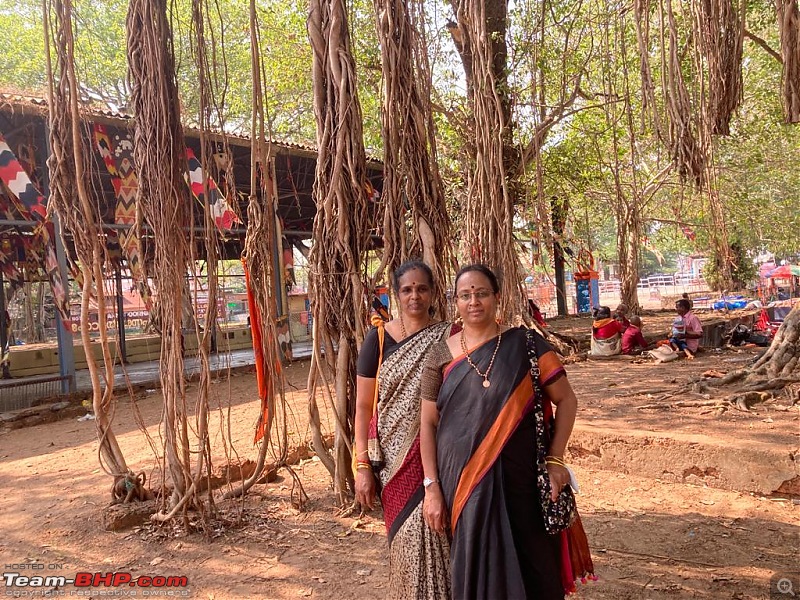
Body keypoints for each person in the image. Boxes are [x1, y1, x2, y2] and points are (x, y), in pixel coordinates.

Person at [419, 264, 593, 599]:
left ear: (497, 297)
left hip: (521, 483)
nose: (474, 302)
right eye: (465, 295)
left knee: (532, 566)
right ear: (455, 301)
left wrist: (556, 461)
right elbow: (427, 423)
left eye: (482, 293)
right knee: (474, 564)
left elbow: (566, 400)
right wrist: (431, 487)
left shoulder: (526, 344)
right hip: (462, 485)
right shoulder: (439, 355)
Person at [354, 260, 451, 598]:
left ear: (432, 293)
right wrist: (362, 465)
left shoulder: (448, 337)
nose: (415, 296)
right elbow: (364, 408)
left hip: (435, 458)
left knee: (441, 540)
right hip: (393, 468)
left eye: (422, 288)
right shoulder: (378, 339)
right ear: (396, 295)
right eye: (407, 289)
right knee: (406, 542)